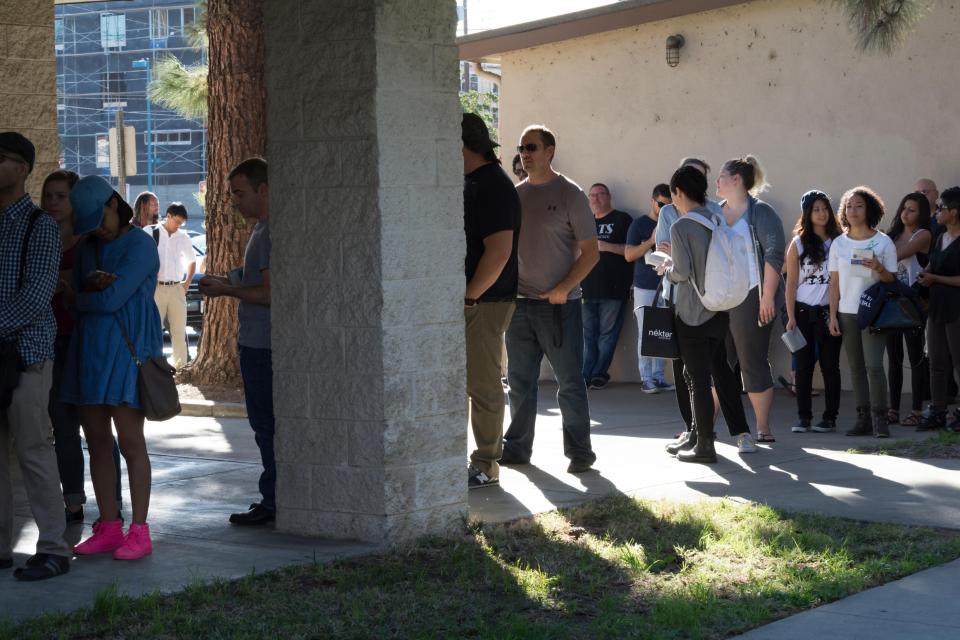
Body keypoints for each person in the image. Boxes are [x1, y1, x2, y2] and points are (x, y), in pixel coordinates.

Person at [62, 175, 161, 561]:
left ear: (114, 204)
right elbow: (82, 302)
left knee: (132, 444)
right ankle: (107, 525)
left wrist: (85, 295)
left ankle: (140, 529)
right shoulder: (88, 247)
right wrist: (88, 294)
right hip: (89, 354)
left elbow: (110, 302)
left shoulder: (140, 245)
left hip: (127, 354)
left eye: (101, 221)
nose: (99, 232)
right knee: (98, 443)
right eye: (90, 227)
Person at [500, 125, 599, 473]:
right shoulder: (515, 195)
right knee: (519, 384)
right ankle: (516, 449)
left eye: (532, 147)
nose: (525, 153)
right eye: (521, 148)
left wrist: (562, 288)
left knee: (570, 383)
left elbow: (591, 254)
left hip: (561, 306)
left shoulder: (571, 194)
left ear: (549, 151)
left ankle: (580, 454)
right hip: (520, 305)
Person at [0, 132, 71, 580]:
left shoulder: (39, 225)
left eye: (3, 159)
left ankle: (54, 550)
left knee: (33, 450)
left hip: (26, 354)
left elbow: (38, 294)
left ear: (24, 169)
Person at [41, 170, 123, 524]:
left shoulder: (89, 243)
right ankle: (73, 501)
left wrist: (72, 286)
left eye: (62, 196)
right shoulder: (41, 238)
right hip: (50, 340)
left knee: (98, 426)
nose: (54, 203)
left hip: (85, 339)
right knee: (62, 426)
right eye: (49, 195)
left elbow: (102, 290)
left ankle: (113, 501)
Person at [656, 161, 752, 456]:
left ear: (679, 192)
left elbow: (682, 272)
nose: (673, 201)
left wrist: (666, 268)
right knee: (703, 372)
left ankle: (705, 445)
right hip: (718, 308)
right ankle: (698, 434)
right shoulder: (717, 218)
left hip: (691, 312)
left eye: (673, 195)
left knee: (696, 378)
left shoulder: (682, 225)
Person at [198, 158, 275, 524]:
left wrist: (226, 288)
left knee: (266, 426)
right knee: (264, 426)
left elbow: (269, 293)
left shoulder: (270, 231)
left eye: (239, 193)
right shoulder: (262, 230)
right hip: (256, 342)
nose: (235, 202)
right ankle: (273, 496)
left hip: (264, 345)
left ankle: (273, 500)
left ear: (263, 189)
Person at [461, 114, 520, 489]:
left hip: (485, 301)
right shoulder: (471, 183)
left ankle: (486, 464)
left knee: (483, 385)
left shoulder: (494, 186)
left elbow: (498, 252)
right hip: (473, 300)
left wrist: (469, 297)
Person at [716, 155, 785, 448]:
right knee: (716, 362)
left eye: (721, 175)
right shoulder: (714, 213)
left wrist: (767, 296)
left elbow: (774, 254)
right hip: (719, 298)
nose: (716, 181)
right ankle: (703, 426)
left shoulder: (761, 213)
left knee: (751, 360)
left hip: (752, 296)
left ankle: (762, 427)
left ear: (737, 180)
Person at [827, 186, 897, 437]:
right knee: (856, 367)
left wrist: (878, 267)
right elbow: (833, 283)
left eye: (859, 206)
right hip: (846, 313)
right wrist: (832, 315)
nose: (853, 211)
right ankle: (863, 418)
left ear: (870, 209)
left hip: (873, 312)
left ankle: (881, 419)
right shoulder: (838, 244)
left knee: (874, 366)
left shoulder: (883, 241)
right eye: (849, 206)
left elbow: (892, 281)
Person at [784, 190, 843, 433]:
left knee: (830, 366)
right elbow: (790, 283)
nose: (822, 213)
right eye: (816, 209)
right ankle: (804, 417)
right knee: (803, 366)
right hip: (802, 311)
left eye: (825, 208)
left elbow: (837, 282)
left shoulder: (839, 241)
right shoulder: (798, 243)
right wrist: (790, 316)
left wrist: (833, 314)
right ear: (807, 213)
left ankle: (830, 417)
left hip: (828, 311)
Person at [580, 183, 634, 390]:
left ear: (609, 196)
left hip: (614, 288)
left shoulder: (622, 219)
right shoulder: (585, 222)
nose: (595, 198)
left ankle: (599, 374)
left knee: (607, 335)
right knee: (588, 335)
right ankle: (585, 375)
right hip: (586, 287)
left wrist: (606, 247)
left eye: (600, 194)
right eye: (592, 195)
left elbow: (632, 251)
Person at [884, 193, 931, 427]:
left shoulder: (923, 235)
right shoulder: (891, 236)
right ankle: (893, 409)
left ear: (921, 213)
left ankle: (916, 409)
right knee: (893, 358)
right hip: (891, 301)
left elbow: (897, 256)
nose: (906, 213)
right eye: (904, 207)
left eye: (912, 209)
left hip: (912, 304)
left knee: (915, 358)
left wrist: (876, 255)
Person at [917, 187, 960, 431]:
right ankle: (938, 410)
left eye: (941, 208)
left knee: (958, 362)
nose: (937, 212)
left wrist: (936, 279)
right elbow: (934, 264)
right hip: (936, 307)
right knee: (936, 361)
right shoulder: (940, 236)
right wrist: (926, 275)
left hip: (957, 308)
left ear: (953, 212)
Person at [625, 184, 674, 393]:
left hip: (668, 284)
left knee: (663, 332)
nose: (664, 209)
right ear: (652, 201)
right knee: (645, 332)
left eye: (669, 205)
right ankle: (646, 378)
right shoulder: (639, 225)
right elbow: (629, 255)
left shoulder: (673, 223)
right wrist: (651, 241)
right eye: (661, 204)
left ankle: (659, 377)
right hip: (645, 286)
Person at [146, 202, 196, 369]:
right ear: (168, 216)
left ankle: (180, 369)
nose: (178, 225)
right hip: (156, 289)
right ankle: (154, 368)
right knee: (153, 332)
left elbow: (192, 261)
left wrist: (186, 283)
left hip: (176, 288)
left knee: (179, 332)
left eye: (181, 223)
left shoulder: (183, 237)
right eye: (177, 221)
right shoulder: (150, 232)